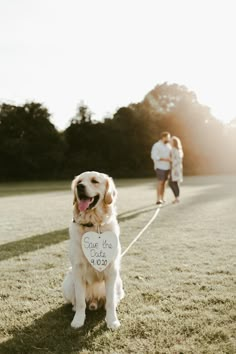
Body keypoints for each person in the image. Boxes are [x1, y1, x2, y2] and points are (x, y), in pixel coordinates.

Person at [151, 131, 172, 205]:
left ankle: (163, 198)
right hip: (160, 167)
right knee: (160, 182)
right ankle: (158, 199)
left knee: (165, 183)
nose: (169, 139)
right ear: (163, 137)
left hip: (168, 167)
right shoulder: (156, 145)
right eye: (168, 137)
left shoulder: (169, 146)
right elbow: (154, 156)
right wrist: (165, 159)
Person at [169, 136, 184, 203]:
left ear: (174, 142)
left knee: (173, 183)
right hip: (175, 168)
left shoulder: (176, 150)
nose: (170, 142)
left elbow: (178, 160)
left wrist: (170, 160)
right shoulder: (174, 149)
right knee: (174, 183)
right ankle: (177, 198)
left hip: (176, 168)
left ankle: (177, 198)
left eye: (171, 141)